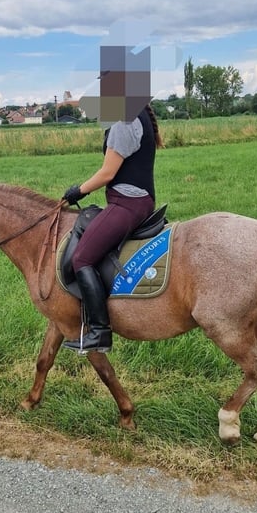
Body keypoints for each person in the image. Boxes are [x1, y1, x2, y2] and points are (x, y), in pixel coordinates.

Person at [62, 103, 164, 353]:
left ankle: (100, 332)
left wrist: (77, 192)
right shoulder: (136, 114)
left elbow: (107, 173)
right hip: (135, 200)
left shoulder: (124, 122)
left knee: (81, 258)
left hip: (128, 203)